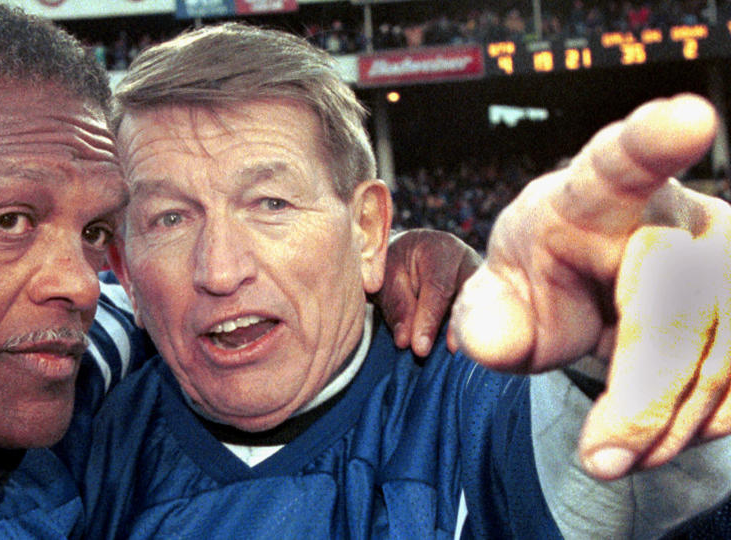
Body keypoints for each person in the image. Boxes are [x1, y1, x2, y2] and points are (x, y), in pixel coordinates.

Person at [0, 3, 481, 538]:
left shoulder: (70, 356)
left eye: (95, 232)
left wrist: (378, 259)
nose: (82, 284)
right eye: (10, 220)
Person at [78, 22, 731, 539]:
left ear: (366, 230)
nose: (220, 269)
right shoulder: (80, 444)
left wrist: (610, 348)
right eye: (169, 218)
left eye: (271, 204)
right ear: (125, 272)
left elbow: (596, 489)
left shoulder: (467, 388)